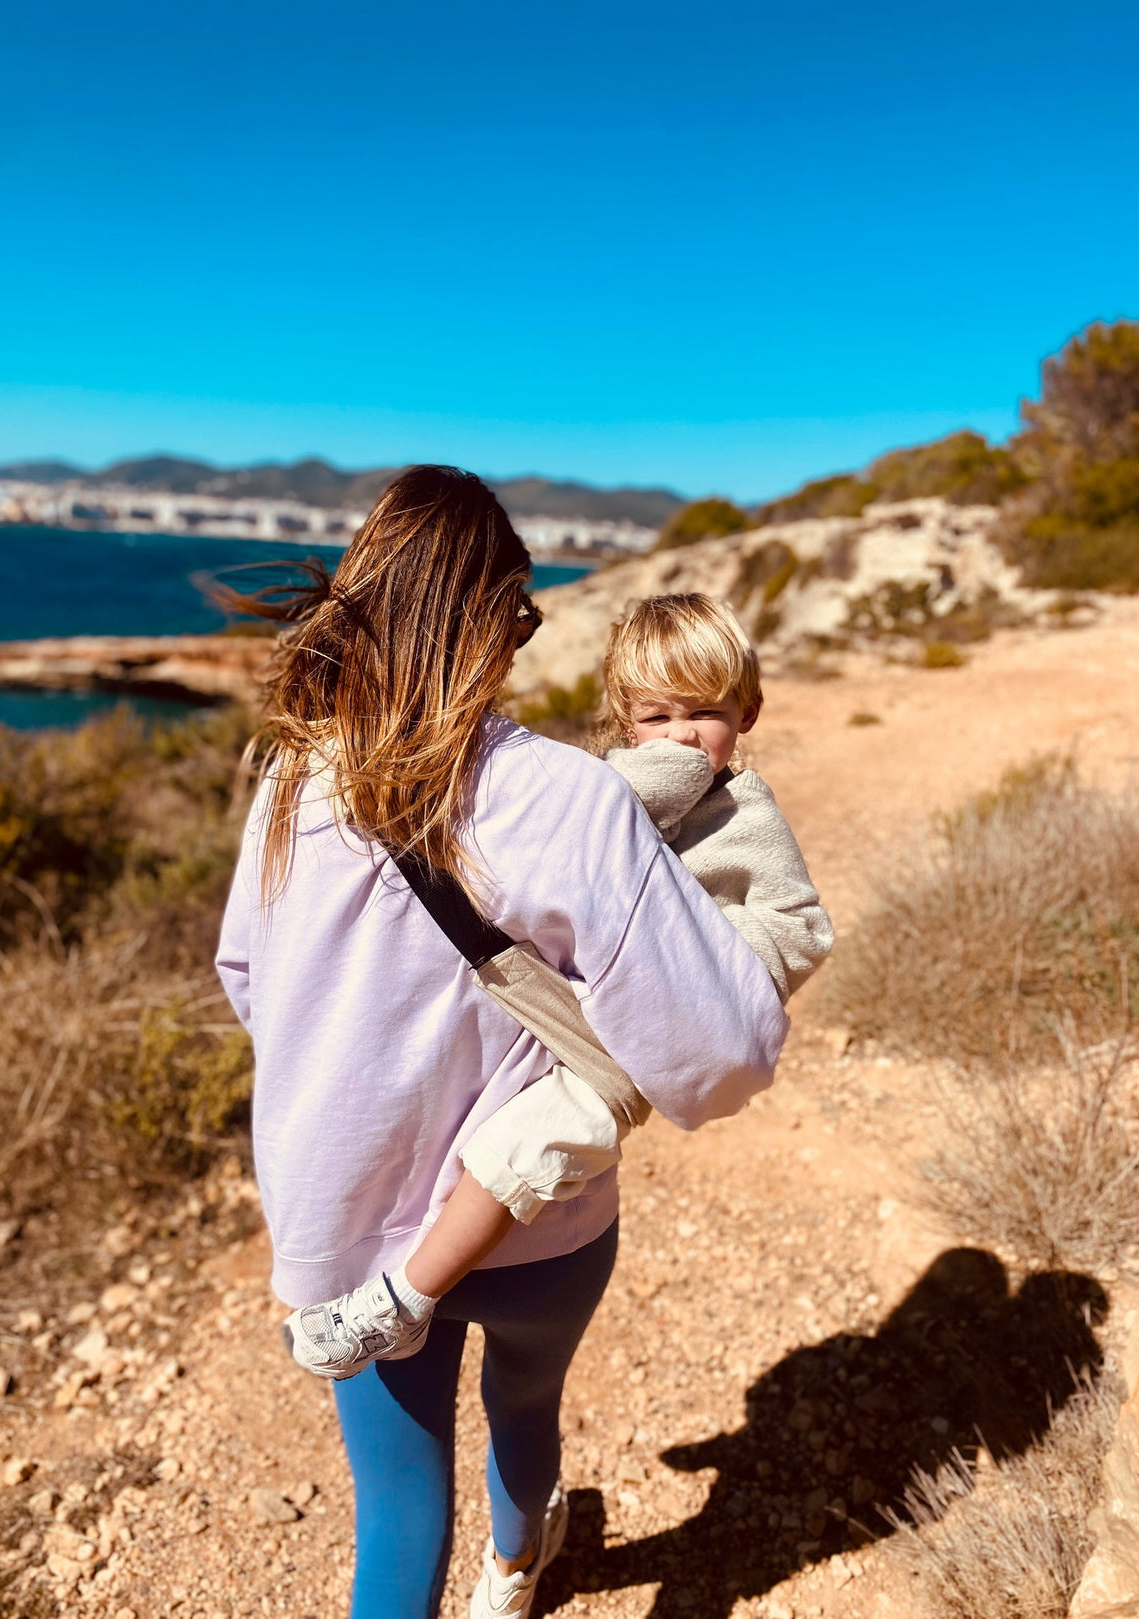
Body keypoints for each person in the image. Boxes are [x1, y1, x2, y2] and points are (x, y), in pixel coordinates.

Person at [216, 467, 790, 1619]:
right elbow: (719, 1051)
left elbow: (244, 977)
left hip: (356, 1225)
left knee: (393, 1506)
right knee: (526, 1409)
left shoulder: (291, 777)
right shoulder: (567, 796)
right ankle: (516, 1572)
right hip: (544, 1227)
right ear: (499, 617)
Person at [284, 592, 833, 1382]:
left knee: (523, 1145)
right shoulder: (593, 783)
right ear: (622, 715)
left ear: (749, 711)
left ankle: (403, 1298)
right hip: (565, 1002)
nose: (681, 734)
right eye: (656, 716)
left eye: (706, 712)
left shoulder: (747, 815)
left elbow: (799, 925)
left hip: (645, 1040)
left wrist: (713, 963)